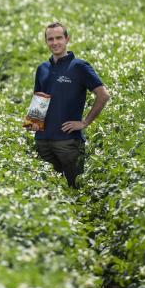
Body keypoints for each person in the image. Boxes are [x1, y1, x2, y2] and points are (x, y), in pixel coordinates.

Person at [34, 22, 110, 188]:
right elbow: (39, 99)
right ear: (46, 42)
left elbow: (103, 95)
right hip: (42, 141)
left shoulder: (79, 67)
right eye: (50, 39)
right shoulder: (42, 69)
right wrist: (33, 124)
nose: (55, 43)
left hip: (68, 142)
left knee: (74, 189)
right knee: (47, 192)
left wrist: (84, 122)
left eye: (59, 38)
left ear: (67, 39)